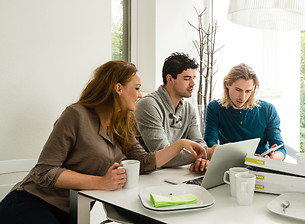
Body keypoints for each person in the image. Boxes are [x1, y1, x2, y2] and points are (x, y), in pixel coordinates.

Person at [0, 61, 207, 224]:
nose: (140, 95)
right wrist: (100, 183)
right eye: (136, 88)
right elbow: (44, 171)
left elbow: (143, 162)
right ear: (118, 88)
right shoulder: (76, 115)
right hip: (33, 203)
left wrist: (180, 144)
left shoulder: (123, 120)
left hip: (73, 210)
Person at [135, 52, 215, 172]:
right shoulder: (148, 105)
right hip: (148, 175)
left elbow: (199, 144)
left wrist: (202, 156)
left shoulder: (189, 109)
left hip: (176, 174)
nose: (193, 84)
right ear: (170, 79)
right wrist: (207, 153)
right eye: (187, 79)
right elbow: (162, 155)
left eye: (193, 78)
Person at [204, 63, 286, 160]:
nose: (242, 97)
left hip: (260, 165)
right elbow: (210, 144)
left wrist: (272, 158)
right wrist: (226, 150)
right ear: (227, 84)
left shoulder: (267, 109)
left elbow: (281, 149)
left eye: (248, 91)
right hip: (229, 163)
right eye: (238, 90)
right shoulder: (215, 107)